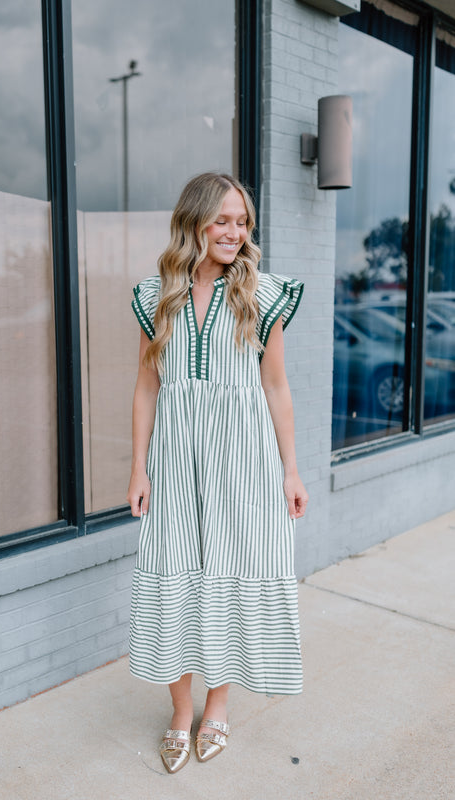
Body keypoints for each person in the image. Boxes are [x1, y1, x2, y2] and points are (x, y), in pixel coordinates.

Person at [126, 172, 308, 774]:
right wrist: (138, 469)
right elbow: (147, 387)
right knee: (175, 576)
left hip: (246, 463)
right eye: (223, 220)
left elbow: (276, 386)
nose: (235, 232)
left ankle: (219, 708)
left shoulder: (263, 292)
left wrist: (290, 469)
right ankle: (181, 715)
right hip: (176, 464)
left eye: (243, 222)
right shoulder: (157, 296)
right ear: (194, 222)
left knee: (230, 578)